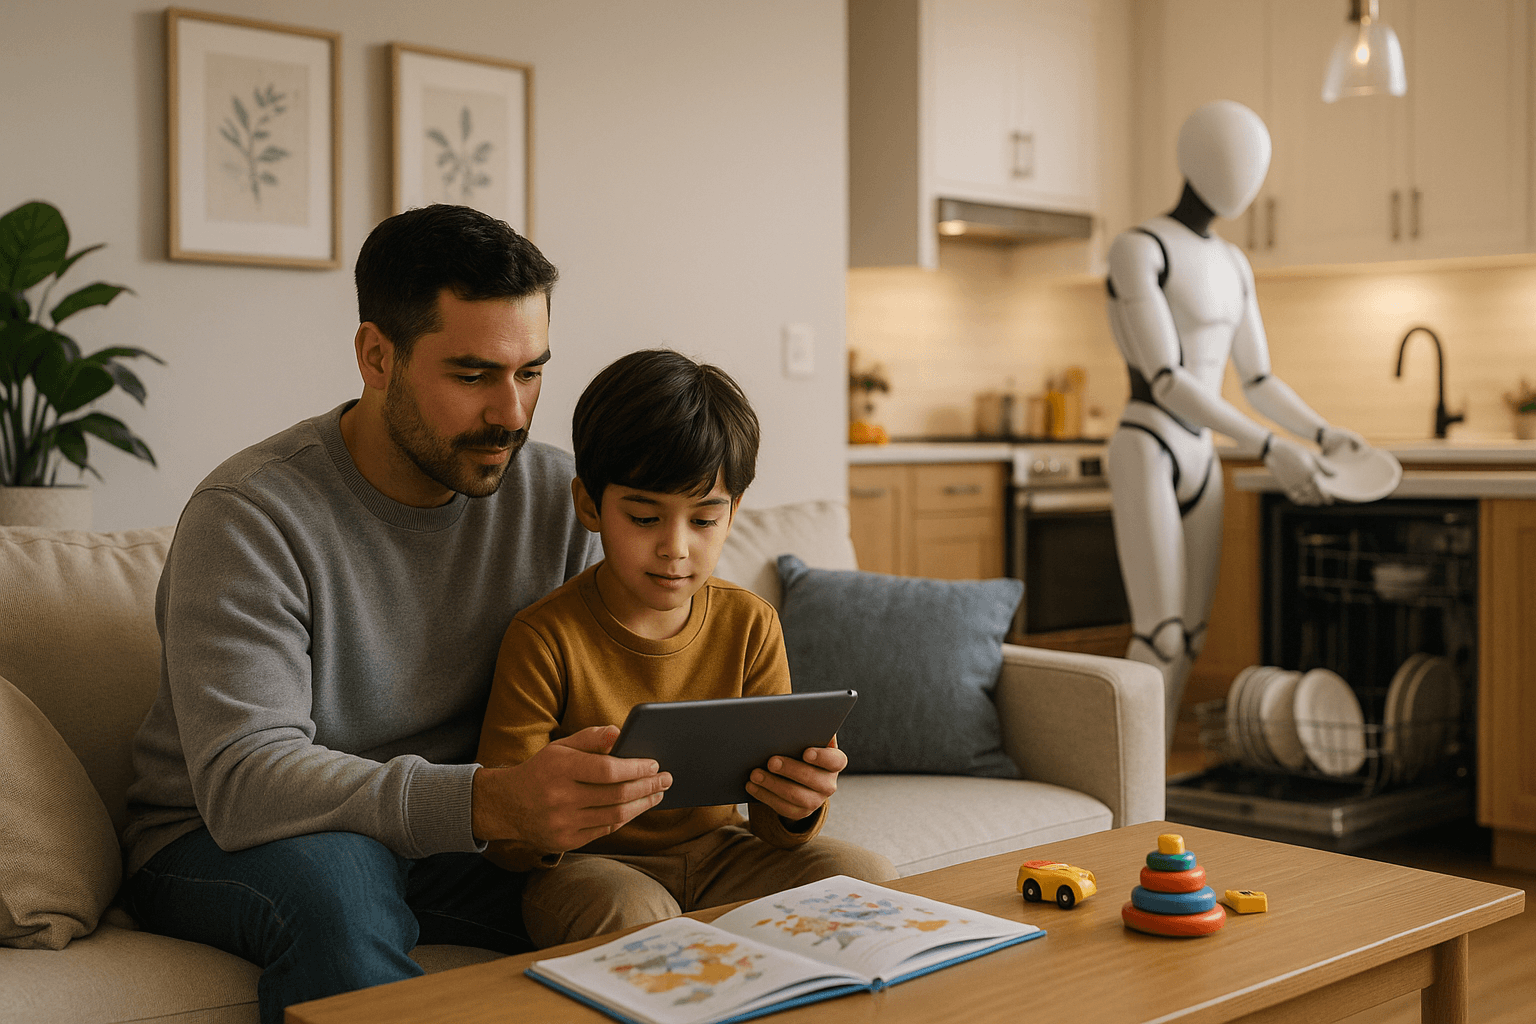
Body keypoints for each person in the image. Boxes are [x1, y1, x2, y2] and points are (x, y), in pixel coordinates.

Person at [120, 205, 672, 1024]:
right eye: (474, 374)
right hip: (228, 836)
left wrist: (760, 783)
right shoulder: (251, 515)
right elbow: (246, 780)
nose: (513, 414)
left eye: (531, 373)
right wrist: (488, 803)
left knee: (640, 908)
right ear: (377, 356)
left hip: (465, 832)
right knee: (341, 888)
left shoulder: (561, 503)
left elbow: (616, 688)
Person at [476, 348, 897, 947]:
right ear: (591, 506)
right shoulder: (544, 638)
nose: (676, 548)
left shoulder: (751, 624)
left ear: (733, 514)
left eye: (703, 521)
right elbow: (506, 837)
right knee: (636, 921)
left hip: (724, 853)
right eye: (645, 518)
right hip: (594, 867)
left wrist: (798, 804)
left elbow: (774, 828)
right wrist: (541, 819)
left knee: (867, 880)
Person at [1104, 100, 1368, 750]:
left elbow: (1258, 380)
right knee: (1158, 635)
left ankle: (1151, 797)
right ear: (1194, 160)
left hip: (1204, 455)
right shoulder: (1138, 248)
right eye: (1236, 159)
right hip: (1150, 445)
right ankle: (1129, 798)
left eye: (1257, 164)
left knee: (1188, 641)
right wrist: (1272, 446)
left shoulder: (1234, 262)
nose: (1246, 178)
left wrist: (1324, 433)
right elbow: (1167, 378)